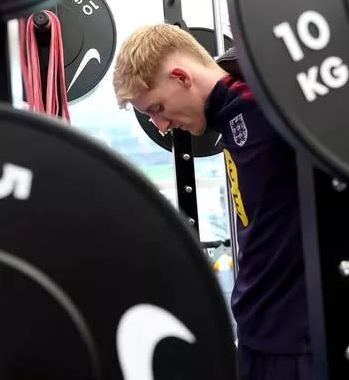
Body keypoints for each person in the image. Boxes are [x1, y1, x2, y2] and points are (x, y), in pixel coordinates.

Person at [112, 23, 311, 380]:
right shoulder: (230, 114)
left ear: (180, 76)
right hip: (258, 331)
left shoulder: (267, 109)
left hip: (295, 340)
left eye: (157, 107)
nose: (159, 125)